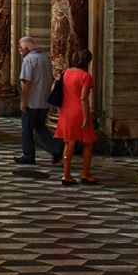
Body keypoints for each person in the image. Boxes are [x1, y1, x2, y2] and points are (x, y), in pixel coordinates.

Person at [14, 37, 64, 165]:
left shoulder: (28, 60)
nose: (19, 50)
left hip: (31, 101)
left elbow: (27, 82)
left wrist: (23, 101)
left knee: (27, 128)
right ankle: (55, 149)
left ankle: (28, 155)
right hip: (44, 100)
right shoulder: (45, 58)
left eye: (20, 47)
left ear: (26, 48)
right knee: (40, 126)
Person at [54, 49, 98, 186]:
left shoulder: (64, 73)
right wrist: (86, 117)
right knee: (88, 143)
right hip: (79, 112)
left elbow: (53, 90)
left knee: (69, 143)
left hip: (66, 112)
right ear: (87, 62)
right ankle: (85, 173)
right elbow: (83, 98)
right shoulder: (86, 76)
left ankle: (66, 175)